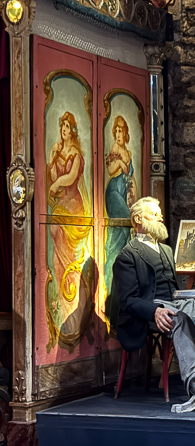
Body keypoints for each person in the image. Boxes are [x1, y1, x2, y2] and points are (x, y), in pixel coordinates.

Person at [112, 197, 195, 396]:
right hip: (152, 306)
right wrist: (155, 311)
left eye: (160, 214)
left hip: (176, 301)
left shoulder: (167, 250)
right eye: (153, 214)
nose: (160, 218)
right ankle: (193, 379)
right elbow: (128, 300)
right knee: (179, 319)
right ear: (138, 219)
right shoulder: (127, 255)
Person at [46, 111, 93, 347]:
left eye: (68, 126)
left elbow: (70, 178)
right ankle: (64, 316)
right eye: (62, 125)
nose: (64, 129)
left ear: (73, 130)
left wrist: (56, 183)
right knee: (58, 264)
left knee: (73, 265)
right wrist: (51, 157)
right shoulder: (58, 152)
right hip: (60, 208)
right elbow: (52, 178)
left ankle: (77, 317)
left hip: (73, 210)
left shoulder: (76, 155)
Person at [104, 116, 138, 335]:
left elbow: (131, 181)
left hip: (124, 195)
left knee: (125, 241)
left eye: (120, 131)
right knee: (125, 226)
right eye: (115, 131)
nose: (117, 134)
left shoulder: (128, 152)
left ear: (125, 133)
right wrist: (121, 165)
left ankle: (119, 303)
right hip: (113, 193)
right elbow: (111, 170)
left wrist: (134, 200)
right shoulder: (115, 151)